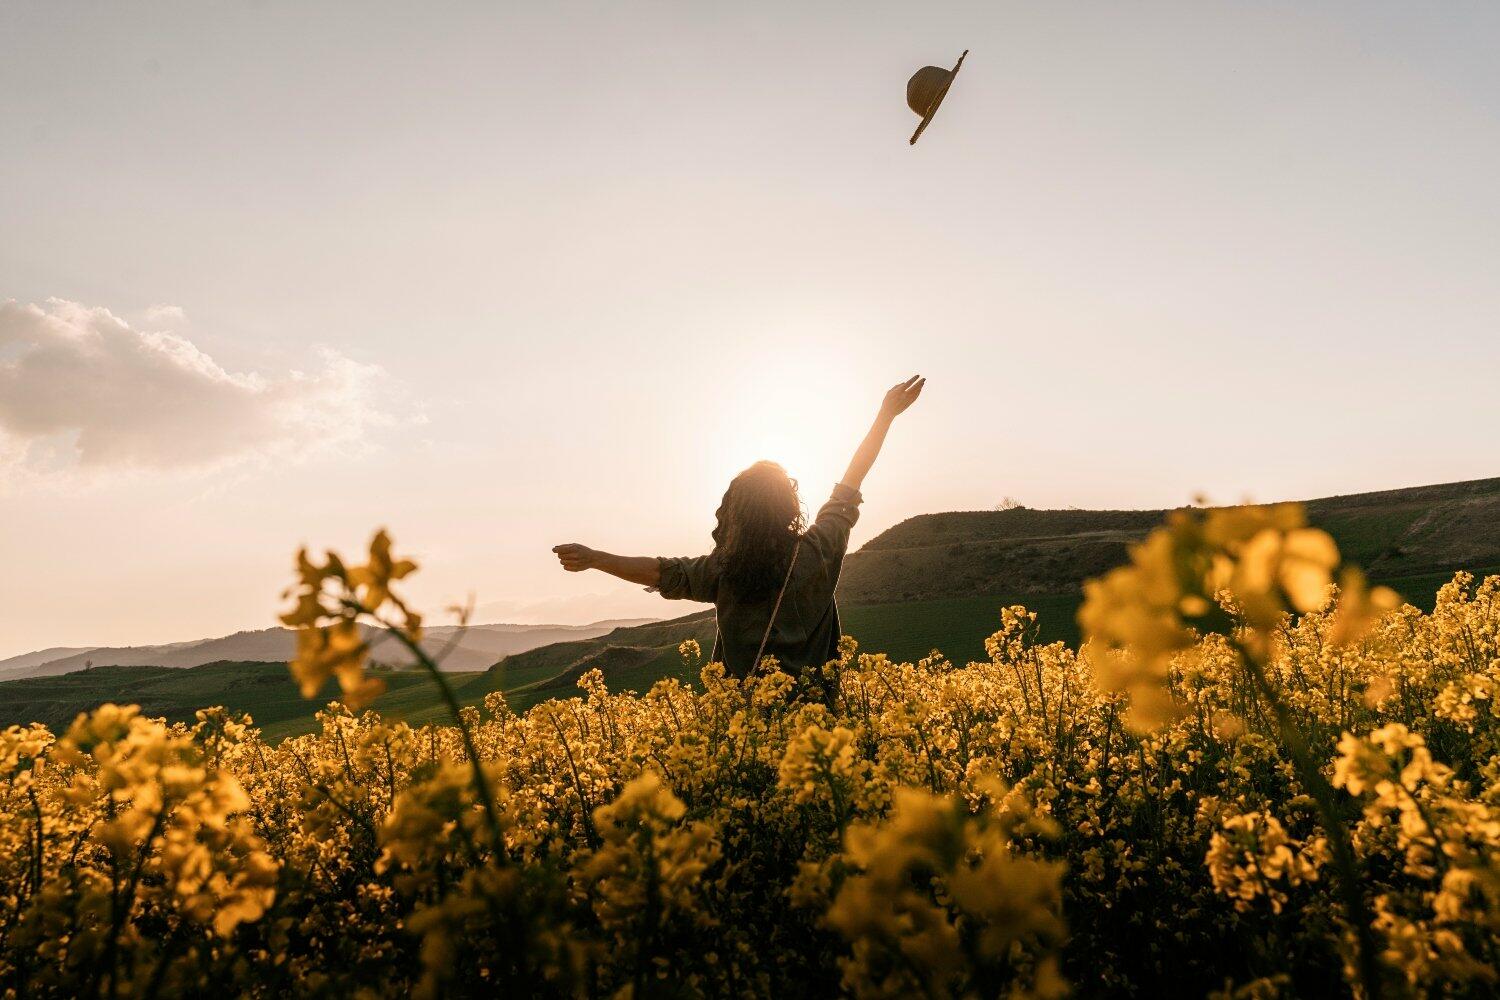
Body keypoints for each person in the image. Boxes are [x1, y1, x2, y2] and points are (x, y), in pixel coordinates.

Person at [552, 375, 925, 680]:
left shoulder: (723, 570)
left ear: (733, 514)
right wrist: (884, 417)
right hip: (817, 732)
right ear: (789, 508)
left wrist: (596, 558)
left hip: (742, 731)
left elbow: (659, 570)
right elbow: (851, 481)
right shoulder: (818, 551)